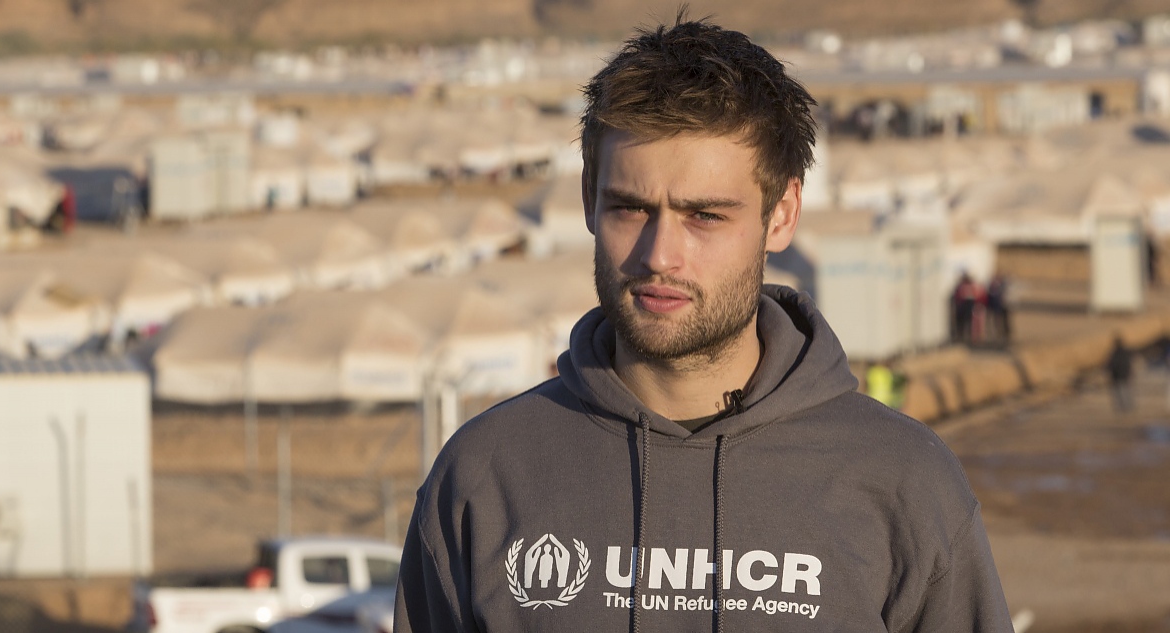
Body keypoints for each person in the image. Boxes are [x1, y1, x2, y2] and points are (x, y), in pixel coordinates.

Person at [395, 15, 1013, 632]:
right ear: (588, 198)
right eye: (630, 208)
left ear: (782, 214)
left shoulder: (901, 482)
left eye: (706, 216)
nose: (659, 255)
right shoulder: (485, 475)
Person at [1109, 336, 1135, 413]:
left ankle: (1124, 408)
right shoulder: (1126, 352)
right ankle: (1128, 407)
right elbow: (1129, 364)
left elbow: (1113, 364)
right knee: (1126, 391)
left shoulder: (1115, 353)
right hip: (1125, 375)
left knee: (1120, 392)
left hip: (1118, 375)